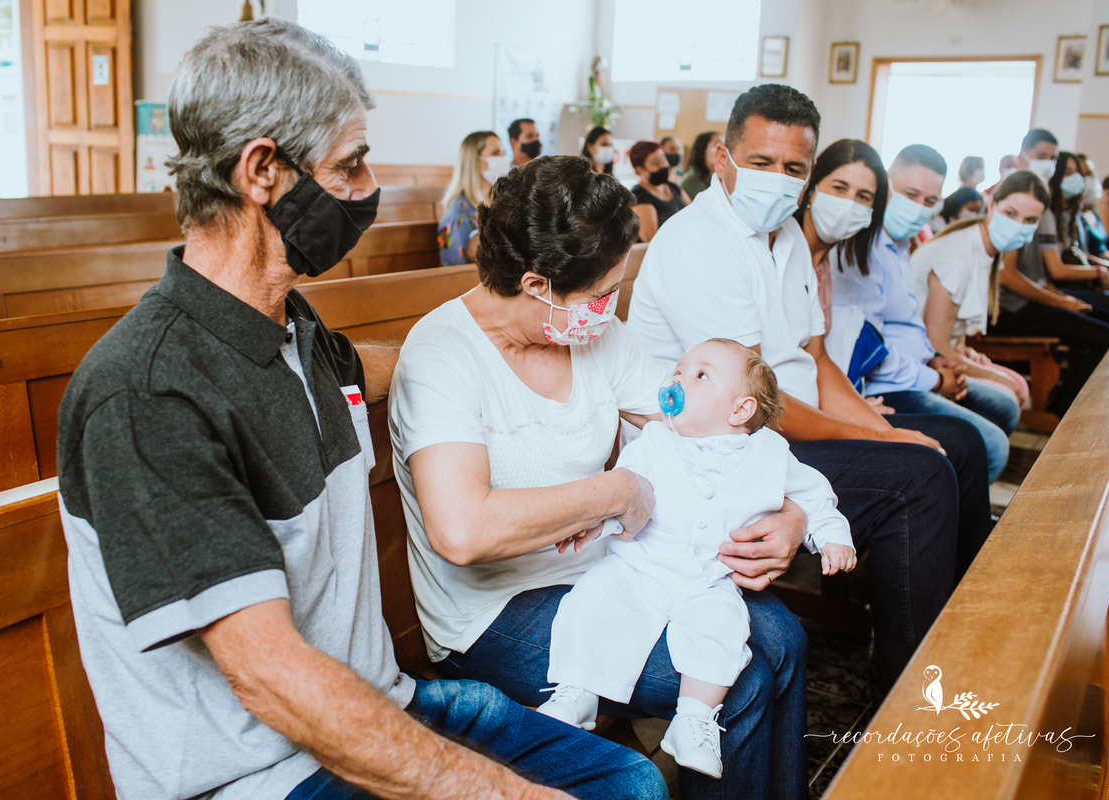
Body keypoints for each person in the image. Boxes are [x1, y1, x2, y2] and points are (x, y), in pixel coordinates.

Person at [55, 19, 665, 800]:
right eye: (350, 164)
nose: (366, 188)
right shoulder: (149, 394)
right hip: (264, 772)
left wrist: (480, 358)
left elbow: (391, 366)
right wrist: (506, 794)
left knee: (628, 782)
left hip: (381, 701)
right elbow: (272, 680)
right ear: (262, 171)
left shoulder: (294, 333)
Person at [389, 155, 810, 800]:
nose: (610, 310)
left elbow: (703, 423)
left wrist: (790, 513)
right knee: (744, 674)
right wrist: (614, 491)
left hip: (610, 572)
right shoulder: (442, 356)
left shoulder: (595, 336)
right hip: (494, 610)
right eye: (599, 295)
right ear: (536, 284)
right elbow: (462, 531)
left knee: (784, 634)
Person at [626, 84, 993, 698]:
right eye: (762, 163)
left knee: (957, 444)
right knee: (920, 478)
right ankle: (907, 694)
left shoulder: (787, 237)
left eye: (794, 168)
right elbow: (755, 407)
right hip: (726, 447)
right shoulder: (699, 243)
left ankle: (962, 631)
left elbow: (816, 359)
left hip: (785, 431)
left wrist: (885, 431)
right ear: (723, 157)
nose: (779, 179)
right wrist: (883, 441)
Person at [537, 340, 854, 781]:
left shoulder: (769, 454)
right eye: (679, 371)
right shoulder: (654, 443)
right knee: (594, 599)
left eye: (700, 375)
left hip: (710, 579)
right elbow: (622, 496)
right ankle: (574, 690)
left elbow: (813, 494)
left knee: (724, 629)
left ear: (740, 410)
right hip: (639, 568)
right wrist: (598, 524)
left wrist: (832, 536)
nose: (678, 380)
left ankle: (694, 719)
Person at [832, 144, 1022, 486]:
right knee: (989, 445)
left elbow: (907, 323)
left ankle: (967, 500)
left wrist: (935, 360)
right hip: (888, 382)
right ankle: (958, 513)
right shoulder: (862, 245)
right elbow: (868, 350)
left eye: (930, 201)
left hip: (918, 367)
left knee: (1002, 406)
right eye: (910, 194)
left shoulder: (901, 243)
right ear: (886, 185)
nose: (919, 208)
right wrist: (934, 379)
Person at [913, 172, 1052, 423]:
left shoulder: (984, 245)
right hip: (922, 359)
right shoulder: (957, 255)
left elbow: (951, 325)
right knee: (1007, 397)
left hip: (938, 351)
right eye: (1010, 213)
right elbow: (936, 342)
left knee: (1018, 383)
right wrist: (998, 378)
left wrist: (962, 349)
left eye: (1030, 219)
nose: (1018, 225)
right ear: (991, 204)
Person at [991, 169, 1109, 415]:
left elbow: (1037, 278)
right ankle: (1064, 407)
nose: (1023, 220)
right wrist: (1058, 303)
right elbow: (1007, 277)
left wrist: (1062, 298)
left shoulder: (1033, 221)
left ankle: (1074, 400)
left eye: (1031, 218)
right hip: (1009, 310)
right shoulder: (1006, 226)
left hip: (1028, 304)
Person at [792, 138, 883, 331]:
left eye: (863, 197)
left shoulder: (823, 267)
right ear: (812, 187)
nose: (849, 204)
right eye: (840, 188)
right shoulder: (779, 249)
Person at [1048, 152, 1109, 319]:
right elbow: (1057, 270)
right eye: (1068, 172)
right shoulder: (1050, 214)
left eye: (1080, 173)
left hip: (1089, 273)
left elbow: (1083, 254)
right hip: (1071, 282)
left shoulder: (1074, 211)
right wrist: (1101, 271)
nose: (1080, 178)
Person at [438, 130, 506, 266]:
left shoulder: (503, 202)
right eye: (495, 153)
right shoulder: (457, 213)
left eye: (503, 153)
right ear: (474, 160)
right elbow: (456, 271)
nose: (503, 159)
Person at [629, 140, 689, 242]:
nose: (663, 165)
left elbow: (693, 213)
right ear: (640, 170)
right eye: (656, 162)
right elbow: (652, 240)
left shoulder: (673, 187)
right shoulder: (639, 196)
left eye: (663, 158)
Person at [680, 131, 723, 200]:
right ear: (702, 151)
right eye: (717, 145)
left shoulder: (719, 176)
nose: (724, 149)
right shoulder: (690, 182)